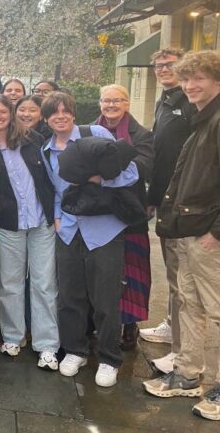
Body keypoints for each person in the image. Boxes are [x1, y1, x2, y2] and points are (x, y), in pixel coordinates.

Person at [42, 92, 139, 387]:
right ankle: (75, 350)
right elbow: (56, 191)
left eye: (65, 110)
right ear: (46, 119)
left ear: (73, 112)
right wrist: (58, 219)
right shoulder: (46, 150)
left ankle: (109, 358)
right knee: (70, 294)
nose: (60, 116)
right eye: (53, 112)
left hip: (104, 229)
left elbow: (131, 172)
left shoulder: (94, 133)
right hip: (69, 229)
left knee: (105, 297)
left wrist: (100, 180)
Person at [143, 51, 220, 421]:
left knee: (217, 311)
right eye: (187, 80)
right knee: (189, 305)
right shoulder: (202, 120)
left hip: (207, 235)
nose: (190, 86)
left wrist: (216, 232)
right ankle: (188, 375)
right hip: (187, 229)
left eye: (199, 79)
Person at [0, 96, 60, 370]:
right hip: (9, 222)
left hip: (41, 222)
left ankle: (46, 345)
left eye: (3, 112)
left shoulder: (31, 140)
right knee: (10, 283)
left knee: (44, 284)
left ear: (11, 114)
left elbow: (50, 176)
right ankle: (13, 336)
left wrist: (56, 213)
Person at [140, 48, 196, 374]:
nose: (163, 69)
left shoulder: (189, 105)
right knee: (174, 276)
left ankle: (184, 352)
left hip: (184, 204)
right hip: (164, 201)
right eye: (158, 65)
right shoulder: (166, 102)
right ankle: (172, 327)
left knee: (185, 281)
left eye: (169, 65)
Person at [94, 84, 154, 351]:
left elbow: (144, 165)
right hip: (98, 212)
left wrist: (108, 170)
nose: (111, 105)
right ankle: (101, 320)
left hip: (130, 212)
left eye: (117, 100)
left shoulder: (141, 134)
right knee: (102, 271)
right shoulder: (89, 130)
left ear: (127, 103)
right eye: (106, 101)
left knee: (133, 269)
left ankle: (129, 323)